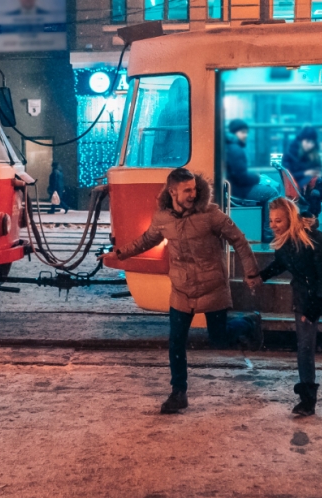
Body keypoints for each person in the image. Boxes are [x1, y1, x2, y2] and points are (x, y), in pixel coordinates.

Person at [108, 167, 261, 414]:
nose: (193, 193)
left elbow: (239, 240)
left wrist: (251, 272)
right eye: (187, 190)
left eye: (194, 188)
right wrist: (119, 254)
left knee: (218, 339)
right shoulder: (162, 218)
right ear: (172, 192)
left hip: (212, 285)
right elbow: (147, 240)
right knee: (176, 342)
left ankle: (249, 323)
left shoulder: (210, 215)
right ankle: (178, 392)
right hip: (181, 289)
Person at [259, 197, 322, 417]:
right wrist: (261, 276)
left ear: (291, 220)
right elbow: (282, 264)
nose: (272, 225)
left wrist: (312, 310)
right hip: (304, 294)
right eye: (271, 220)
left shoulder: (316, 240)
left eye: (278, 221)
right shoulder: (283, 243)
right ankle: (307, 400)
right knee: (305, 346)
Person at [225, 119, 277, 242]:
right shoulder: (235, 149)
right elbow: (241, 177)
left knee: (268, 185)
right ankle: (269, 234)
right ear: (234, 133)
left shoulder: (230, 147)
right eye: (242, 132)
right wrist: (256, 177)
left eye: (246, 132)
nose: (245, 135)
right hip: (238, 190)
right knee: (272, 193)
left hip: (234, 186)